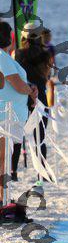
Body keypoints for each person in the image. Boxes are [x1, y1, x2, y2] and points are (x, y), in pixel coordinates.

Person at [0, 22, 37, 196]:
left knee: (4, 160)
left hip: (10, 117)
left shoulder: (6, 57)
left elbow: (17, 83)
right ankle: (2, 199)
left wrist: (30, 86)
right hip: (4, 117)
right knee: (2, 160)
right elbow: (16, 83)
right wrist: (29, 90)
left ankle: (3, 198)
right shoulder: (1, 56)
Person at [14, 23, 52, 191]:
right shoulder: (46, 54)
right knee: (39, 138)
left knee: (17, 136)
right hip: (41, 98)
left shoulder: (18, 53)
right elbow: (48, 76)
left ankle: (13, 172)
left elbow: (16, 76)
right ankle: (40, 174)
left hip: (24, 97)